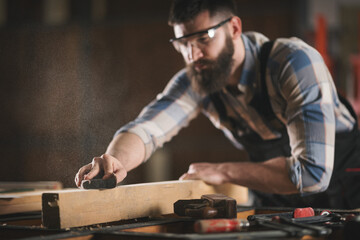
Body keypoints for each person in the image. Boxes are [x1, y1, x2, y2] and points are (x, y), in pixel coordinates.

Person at [75, 0, 360, 209]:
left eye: (203, 38)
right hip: (281, 193)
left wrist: (223, 171)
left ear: (234, 28)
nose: (192, 54)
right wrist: (115, 160)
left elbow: (312, 174)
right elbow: (146, 129)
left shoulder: (293, 63)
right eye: (182, 43)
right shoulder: (200, 77)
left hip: (347, 184)